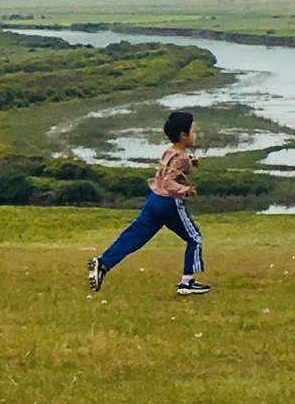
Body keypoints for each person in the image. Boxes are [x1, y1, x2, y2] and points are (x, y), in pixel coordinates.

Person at [87, 109, 210, 297]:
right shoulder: (183, 156)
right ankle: (187, 282)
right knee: (195, 238)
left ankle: (103, 263)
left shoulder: (171, 151)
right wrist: (186, 190)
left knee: (134, 236)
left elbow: (170, 168)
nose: (195, 134)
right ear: (183, 135)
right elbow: (169, 182)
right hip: (169, 204)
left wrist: (190, 163)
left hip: (154, 201)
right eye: (192, 131)